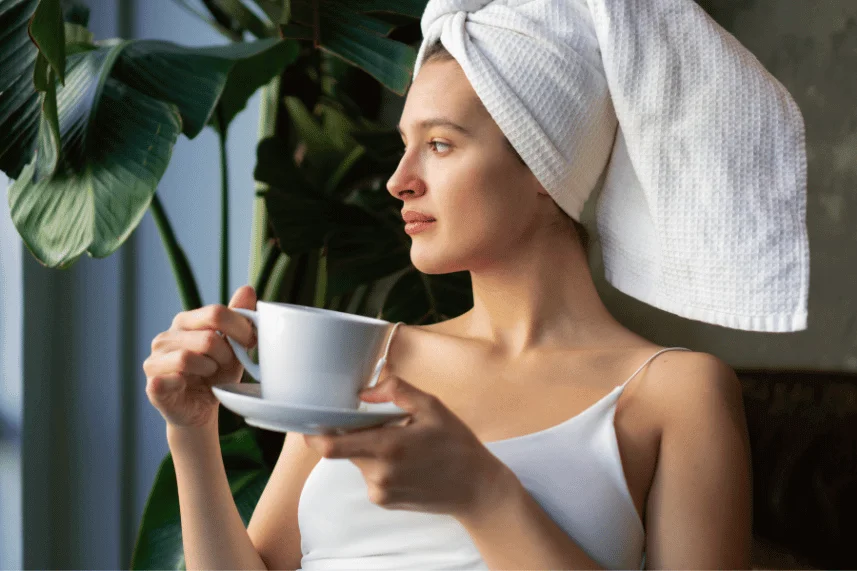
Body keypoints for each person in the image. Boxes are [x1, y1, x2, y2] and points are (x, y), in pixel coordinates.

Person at [144, 0, 809, 569]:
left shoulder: (676, 392)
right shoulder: (363, 358)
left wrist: (483, 493)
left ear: (546, 166)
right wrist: (192, 436)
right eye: (404, 143)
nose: (397, 179)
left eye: (439, 144)